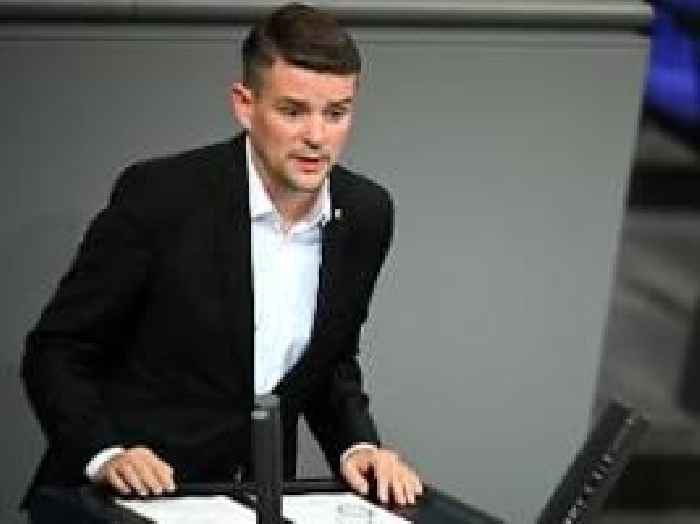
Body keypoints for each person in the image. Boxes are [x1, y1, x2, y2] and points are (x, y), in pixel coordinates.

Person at [21, 2, 422, 518]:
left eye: (336, 113)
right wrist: (106, 454)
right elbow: (57, 350)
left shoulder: (366, 213)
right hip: (119, 503)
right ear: (244, 105)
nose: (317, 137)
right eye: (293, 111)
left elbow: (329, 361)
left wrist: (358, 446)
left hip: (255, 501)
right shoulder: (161, 196)